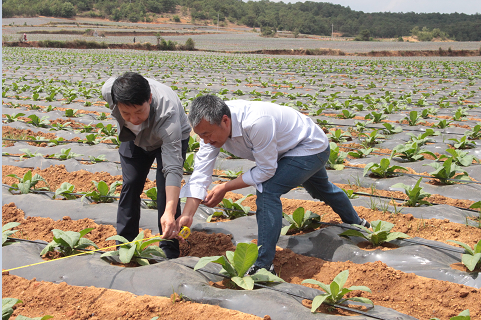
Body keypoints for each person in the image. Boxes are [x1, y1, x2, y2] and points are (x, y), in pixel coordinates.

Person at [178, 95, 369, 274]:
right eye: (200, 136)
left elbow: (266, 170)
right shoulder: (210, 129)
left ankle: (264, 265)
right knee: (322, 189)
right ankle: (358, 223)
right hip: (283, 149)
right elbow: (200, 174)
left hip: (309, 146)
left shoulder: (255, 122)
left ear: (225, 121)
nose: (205, 141)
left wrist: (225, 187)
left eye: (207, 135)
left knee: (268, 190)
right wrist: (188, 215)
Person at [102, 72, 191, 258]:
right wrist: (128, 118)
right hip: (134, 139)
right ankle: (125, 244)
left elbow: (173, 169)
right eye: (126, 113)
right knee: (131, 183)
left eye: (139, 112)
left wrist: (169, 211)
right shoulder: (109, 91)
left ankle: (169, 248)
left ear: (149, 99)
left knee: (165, 190)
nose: (133, 119)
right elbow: (130, 116)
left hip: (168, 139)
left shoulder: (168, 114)